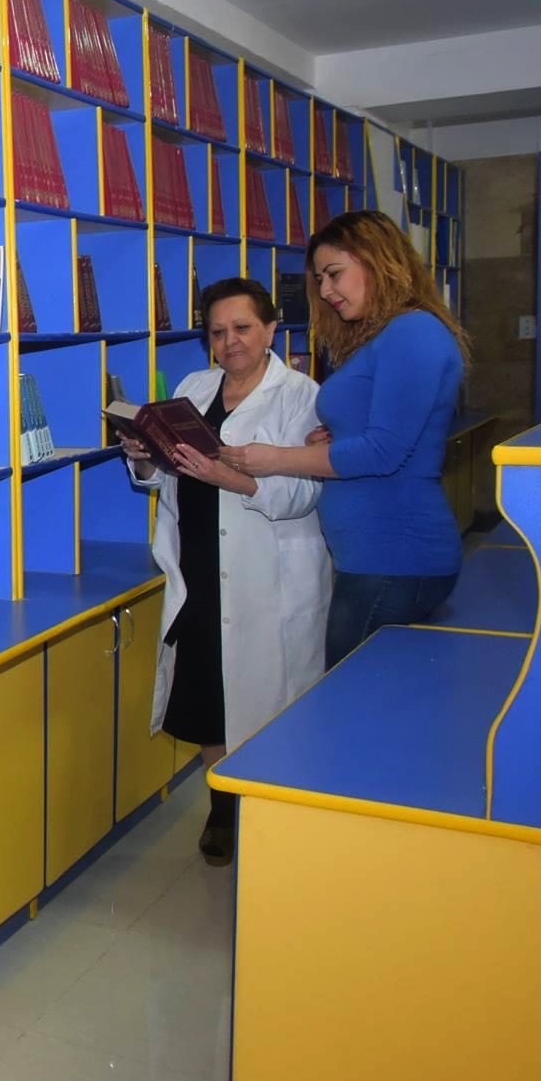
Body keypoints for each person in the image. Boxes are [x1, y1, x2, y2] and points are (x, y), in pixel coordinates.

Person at [126, 277, 330, 865]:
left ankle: (271, 814)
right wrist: (146, 459)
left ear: (270, 329)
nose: (230, 341)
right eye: (217, 332)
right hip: (198, 568)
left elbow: (304, 493)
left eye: (242, 328)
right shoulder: (193, 388)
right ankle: (223, 807)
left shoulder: (301, 396)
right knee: (208, 699)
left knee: (267, 702)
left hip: (266, 574)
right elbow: (169, 476)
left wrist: (229, 479)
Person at [220, 211, 469, 668]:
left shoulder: (413, 332)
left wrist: (275, 458)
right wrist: (338, 434)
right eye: (320, 279)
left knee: (354, 698)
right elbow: (388, 429)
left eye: (335, 274)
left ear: (378, 261)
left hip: (395, 557)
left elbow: (383, 453)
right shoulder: (387, 336)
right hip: (373, 560)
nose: (326, 291)